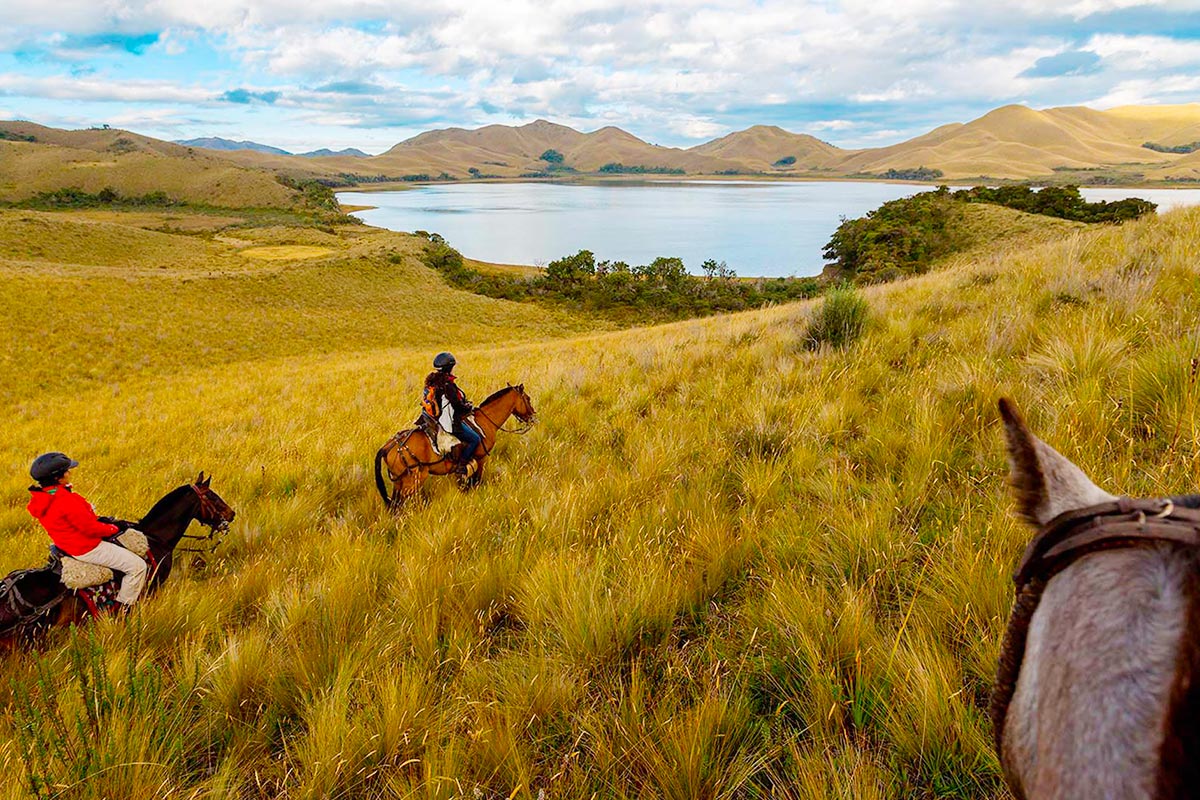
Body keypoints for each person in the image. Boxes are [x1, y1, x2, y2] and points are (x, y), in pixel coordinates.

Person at [25, 452, 146, 611]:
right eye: (66, 471)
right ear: (57, 478)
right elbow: (91, 529)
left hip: (66, 545)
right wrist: (114, 528)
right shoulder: (66, 500)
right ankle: (123, 609)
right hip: (87, 547)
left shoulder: (44, 497)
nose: (70, 473)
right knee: (138, 566)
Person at [422, 352, 481, 475]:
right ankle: (461, 465)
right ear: (449, 368)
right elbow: (457, 406)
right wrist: (468, 408)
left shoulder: (432, 382)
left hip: (433, 419)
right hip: (448, 423)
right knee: (475, 439)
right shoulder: (448, 385)